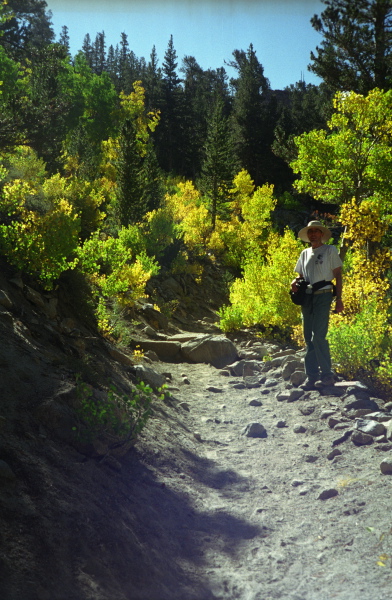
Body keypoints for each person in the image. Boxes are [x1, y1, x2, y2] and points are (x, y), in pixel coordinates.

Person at [291, 220, 344, 390]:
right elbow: (300, 275)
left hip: (323, 295)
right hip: (307, 297)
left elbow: (338, 275)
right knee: (308, 337)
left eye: (316, 231)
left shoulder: (330, 250)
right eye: (310, 231)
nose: (313, 234)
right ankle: (312, 377)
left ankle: (327, 375)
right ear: (308, 235)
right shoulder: (304, 253)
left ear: (322, 234)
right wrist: (295, 281)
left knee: (319, 336)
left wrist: (339, 299)